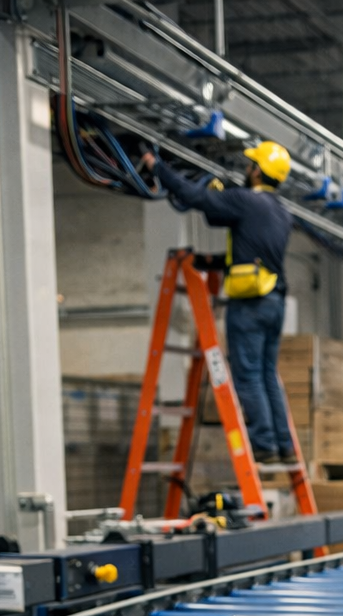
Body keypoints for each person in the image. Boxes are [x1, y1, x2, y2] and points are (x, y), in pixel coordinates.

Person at [140, 141, 297, 466]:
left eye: (251, 165)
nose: (246, 169)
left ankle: (264, 444)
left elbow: (195, 198)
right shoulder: (282, 212)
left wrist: (157, 167)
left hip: (250, 304)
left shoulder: (247, 201)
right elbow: (241, 255)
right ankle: (284, 445)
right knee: (267, 373)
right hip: (275, 300)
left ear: (258, 171)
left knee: (248, 375)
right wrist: (204, 261)